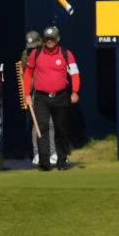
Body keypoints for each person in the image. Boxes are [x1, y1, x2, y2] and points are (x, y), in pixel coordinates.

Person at [23, 26, 80, 171]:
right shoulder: (35, 54)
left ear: (58, 39)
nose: (49, 41)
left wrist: (75, 91)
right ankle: (44, 162)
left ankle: (61, 161)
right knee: (41, 127)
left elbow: (74, 74)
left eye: (52, 39)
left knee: (61, 128)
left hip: (60, 96)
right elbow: (28, 74)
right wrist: (27, 94)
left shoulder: (67, 54)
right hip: (41, 97)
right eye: (47, 39)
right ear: (43, 40)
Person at [21, 30, 57, 166]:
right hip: (36, 92)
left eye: (35, 46)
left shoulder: (48, 52)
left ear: (40, 42)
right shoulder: (26, 55)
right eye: (30, 47)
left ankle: (53, 153)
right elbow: (27, 76)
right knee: (37, 124)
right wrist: (27, 94)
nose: (32, 50)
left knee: (52, 123)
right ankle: (37, 154)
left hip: (51, 90)